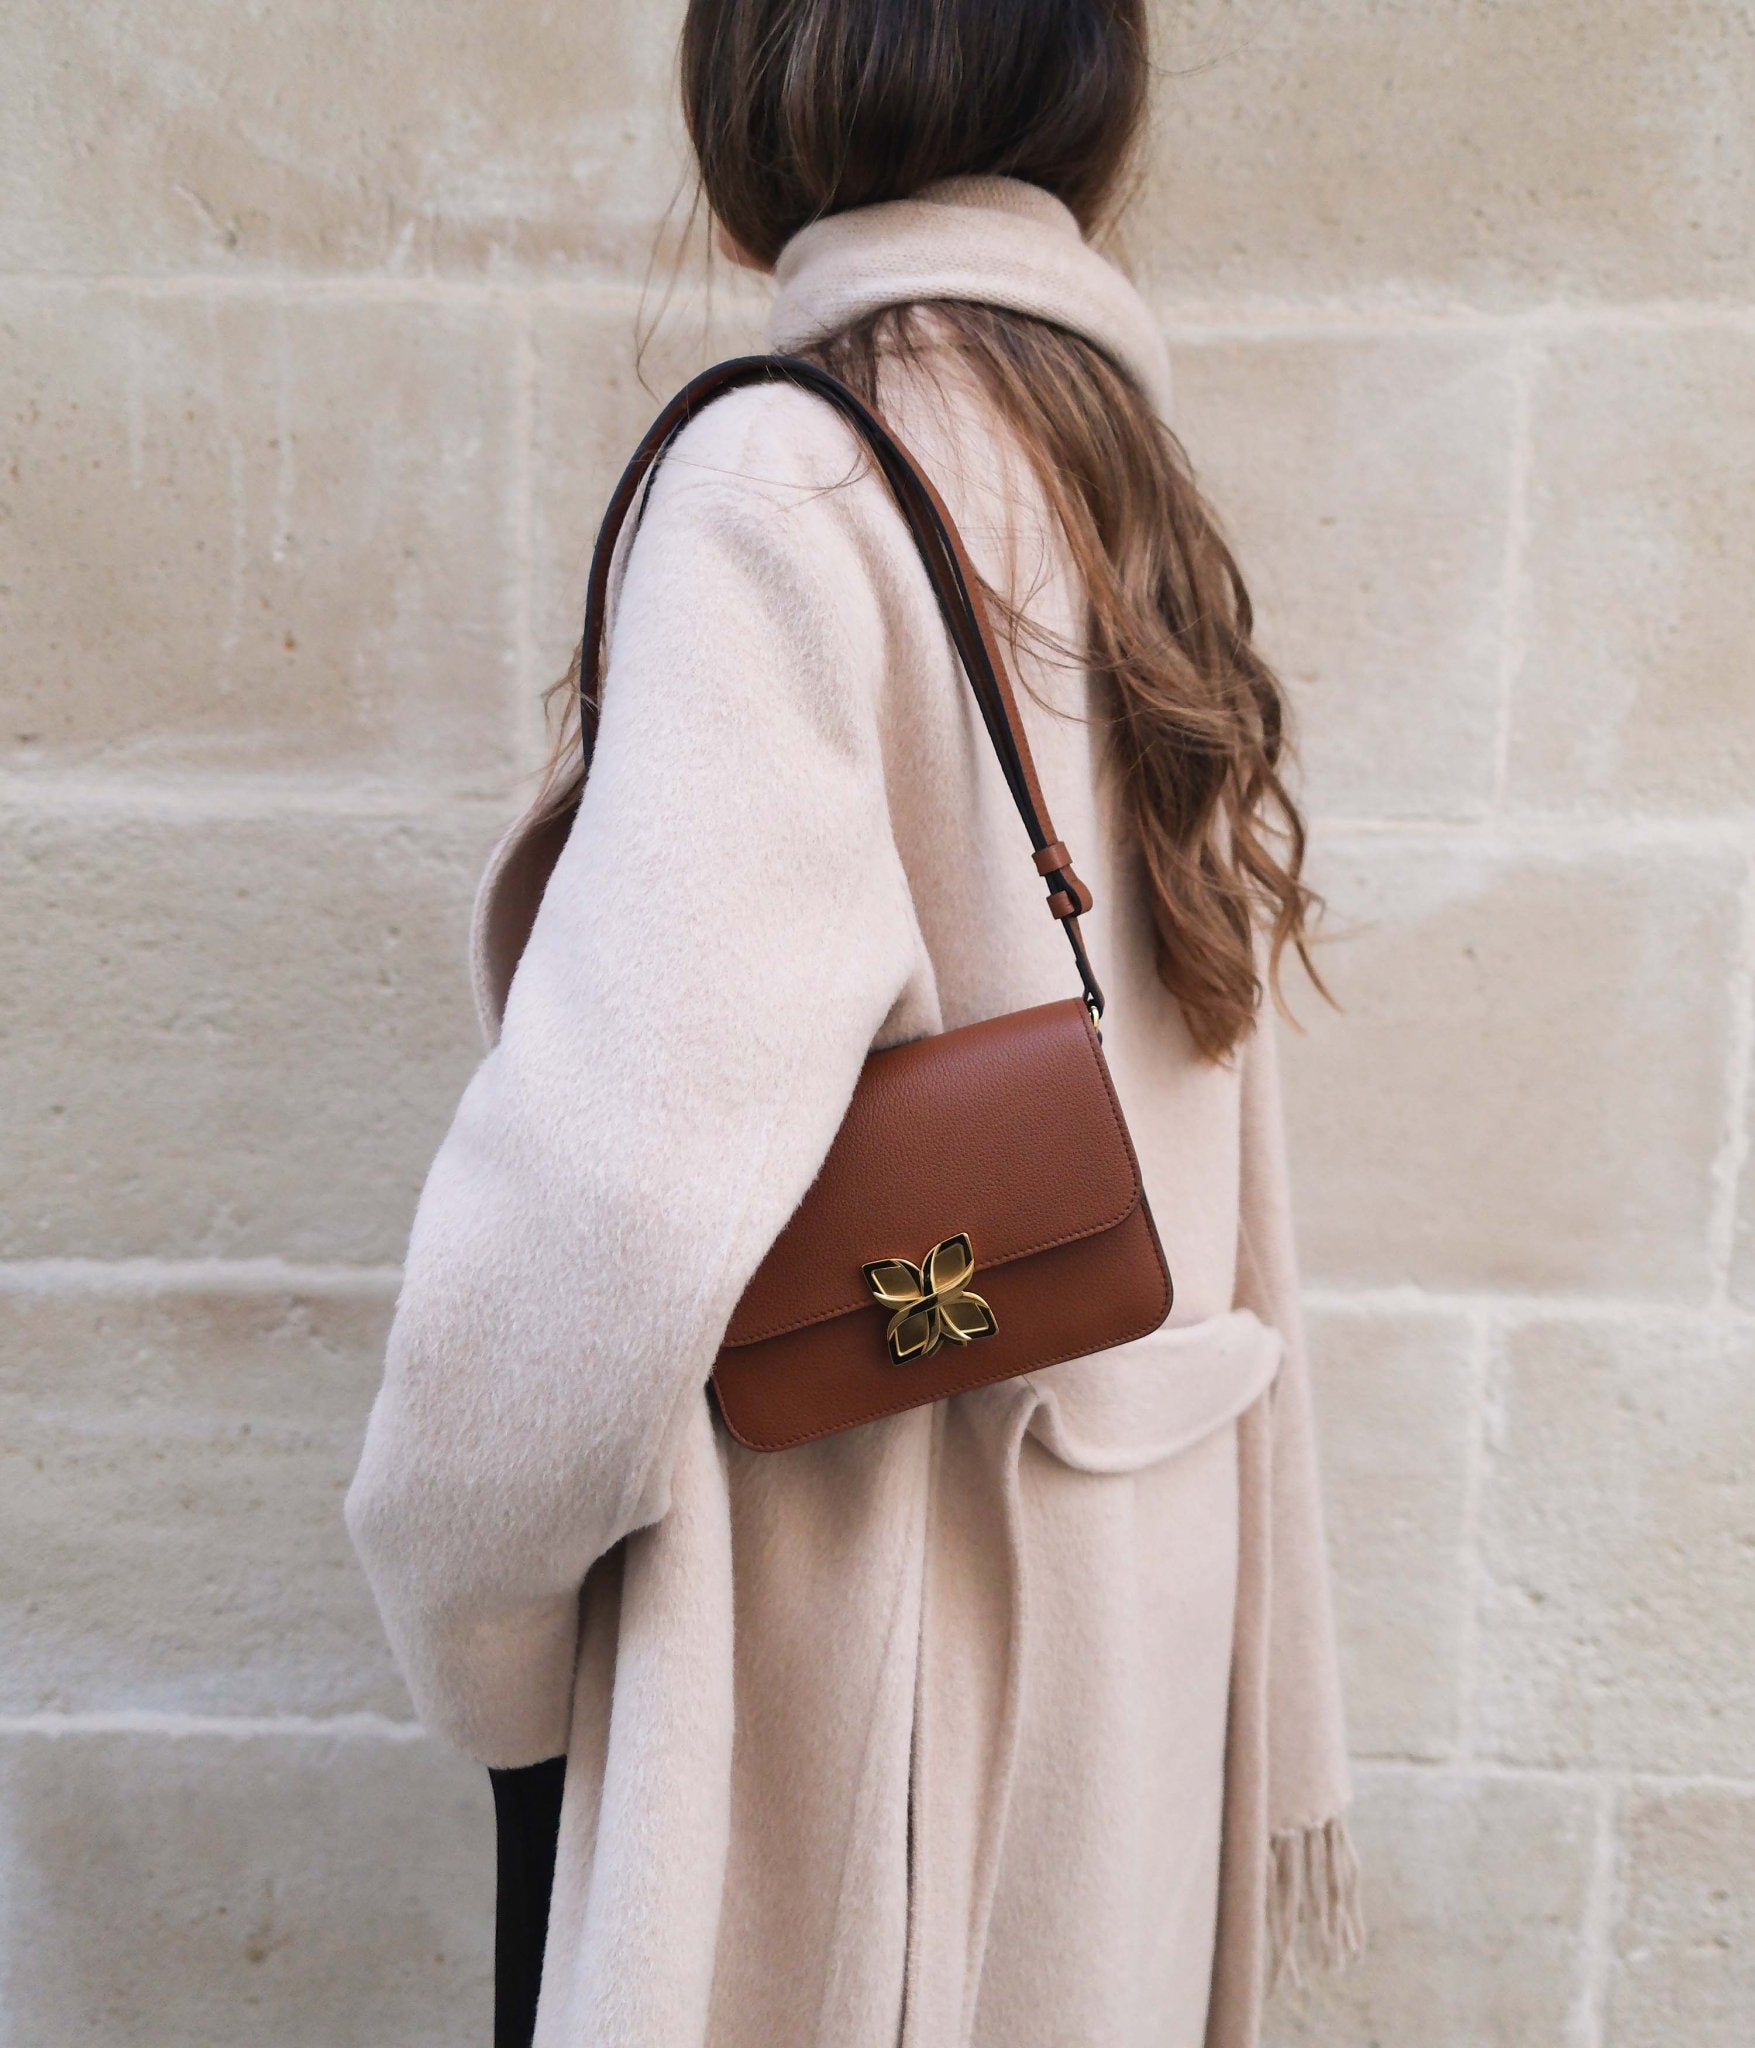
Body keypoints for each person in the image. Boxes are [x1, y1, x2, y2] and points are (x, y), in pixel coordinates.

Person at [346, 3, 1360, 2043]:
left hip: (874, 1757)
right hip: (1111, 1723)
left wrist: (484, 1639)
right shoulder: (1113, 479)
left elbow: (602, 1225)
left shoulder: (785, 483)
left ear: (760, 94)